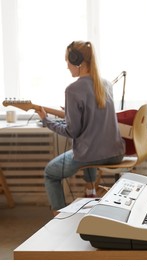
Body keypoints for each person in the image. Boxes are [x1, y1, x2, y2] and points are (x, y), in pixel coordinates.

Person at [36, 41, 125, 215]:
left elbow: (72, 131)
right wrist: (71, 114)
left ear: (76, 60)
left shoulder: (73, 89)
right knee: (88, 148)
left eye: (67, 61)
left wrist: (46, 120)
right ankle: (91, 193)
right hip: (116, 153)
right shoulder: (105, 84)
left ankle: (59, 216)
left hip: (93, 155)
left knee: (50, 173)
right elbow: (92, 123)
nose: (67, 66)